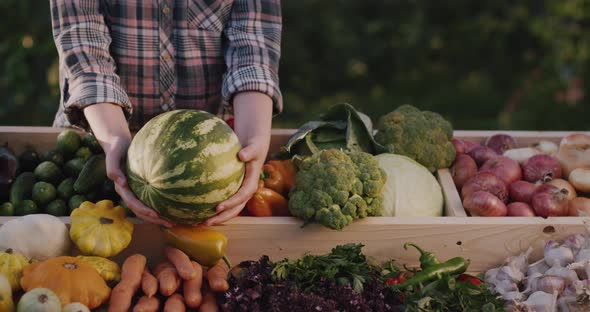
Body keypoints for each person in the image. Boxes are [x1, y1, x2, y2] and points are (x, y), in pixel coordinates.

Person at [49, 0, 282, 227]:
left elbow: (253, 50)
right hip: (102, 137)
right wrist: (116, 142)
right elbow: (85, 53)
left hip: (213, 150)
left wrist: (253, 141)